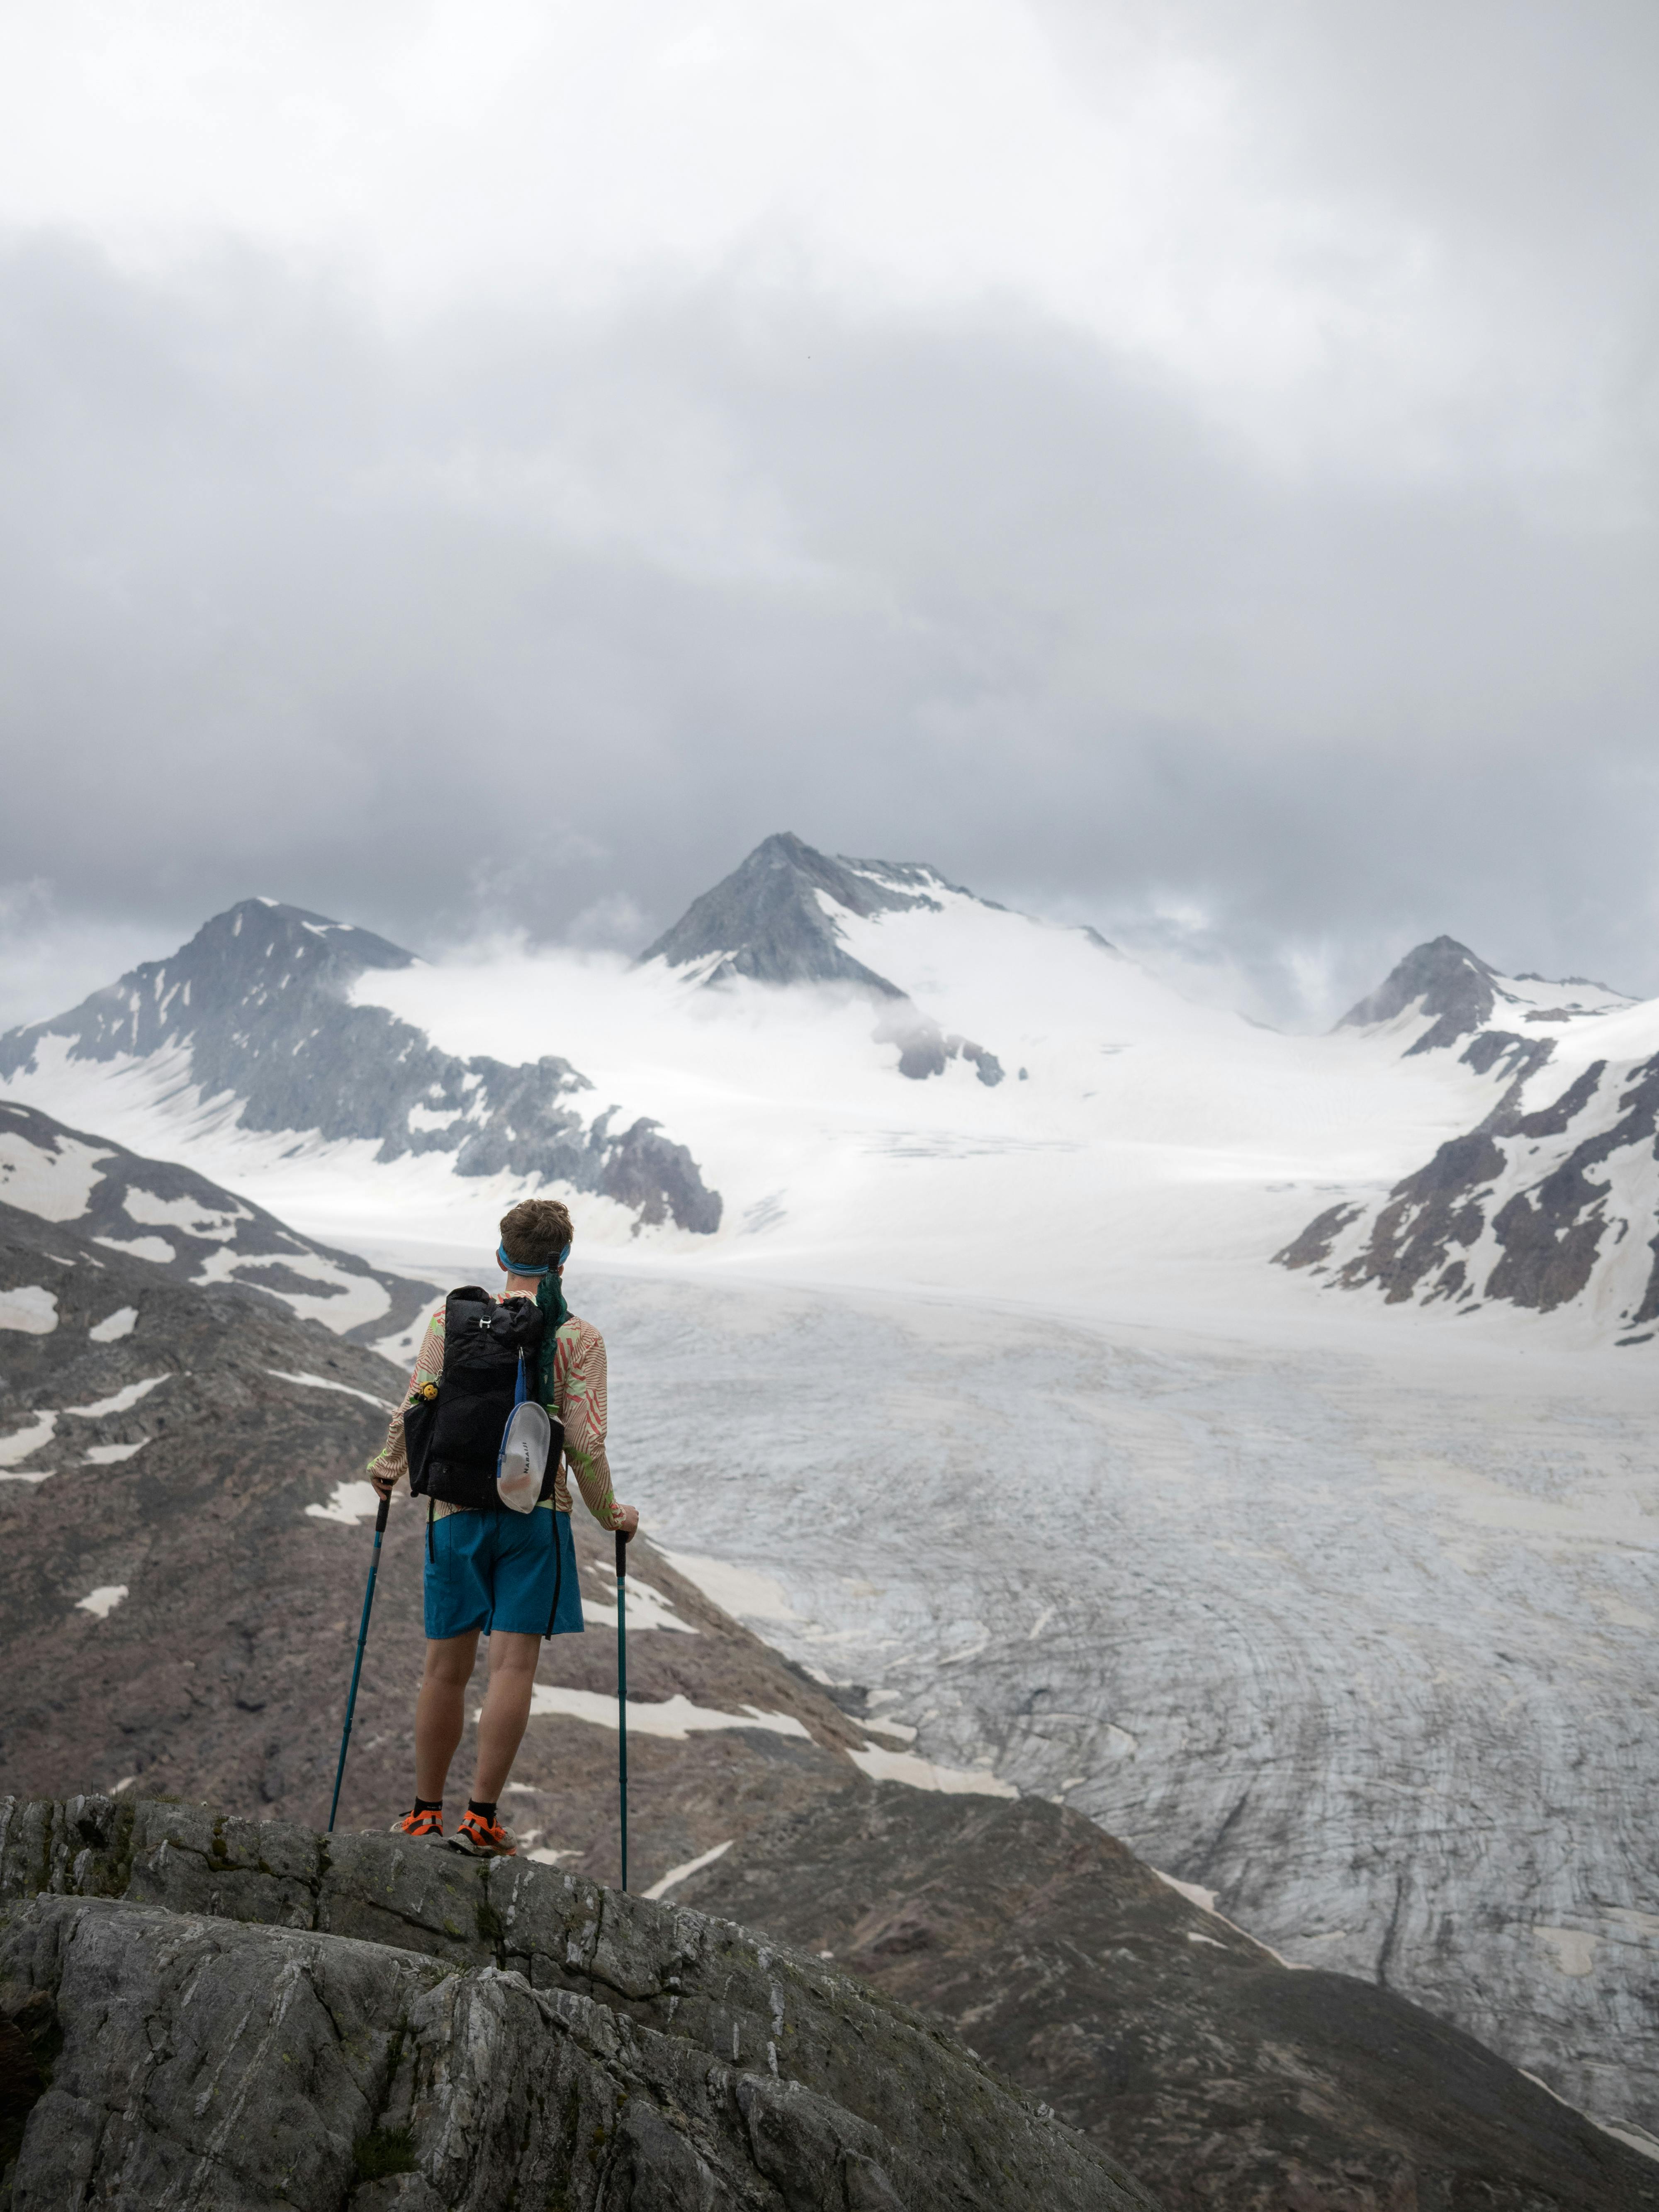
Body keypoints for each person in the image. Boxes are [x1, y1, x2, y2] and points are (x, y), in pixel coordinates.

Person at [367, 1197, 638, 1857]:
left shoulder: (453, 1320)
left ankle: (423, 1814)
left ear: (500, 1255)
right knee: (512, 1665)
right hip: (535, 1517)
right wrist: (612, 1516)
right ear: (562, 1262)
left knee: (444, 1670)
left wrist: (387, 1468)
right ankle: (481, 1820)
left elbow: (416, 1402)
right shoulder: (578, 1340)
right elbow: (585, 1443)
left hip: (455, 1513)